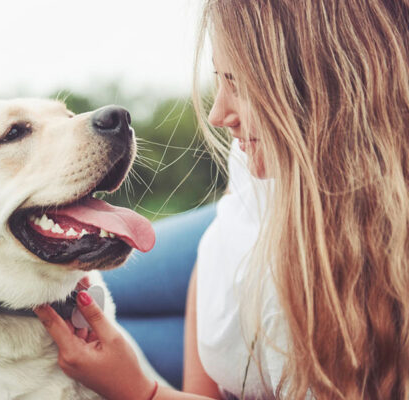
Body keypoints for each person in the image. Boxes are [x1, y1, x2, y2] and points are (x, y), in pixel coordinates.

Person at [34, 1, 409, 399]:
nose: (216, 115)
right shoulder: (256, 161)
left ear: (328, 87)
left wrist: (142, 392)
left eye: (240, 84)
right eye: (220, 80)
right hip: (229, 251)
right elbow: (227, 232)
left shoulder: (369, 293)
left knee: (84, 325)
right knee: (91, 302)